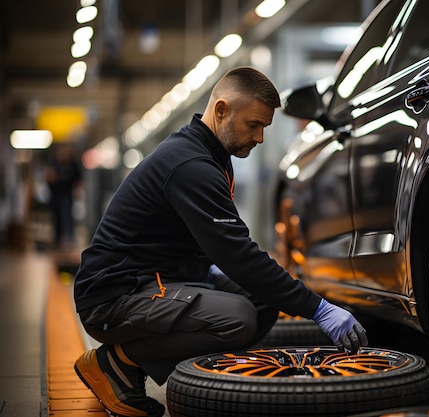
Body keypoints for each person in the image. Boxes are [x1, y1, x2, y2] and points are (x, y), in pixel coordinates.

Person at [72, 66, 368, 417]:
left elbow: (215, 245)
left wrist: (214, 269)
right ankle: (117, 363)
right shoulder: (191, 165)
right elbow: (238, 254)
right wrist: (317, 308)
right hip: (113, 295)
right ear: (222, 110)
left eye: (264, 128)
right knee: (238, 318)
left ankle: (146, 367)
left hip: (156, 279)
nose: (259, 138)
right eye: (253, 125)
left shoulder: (209, 155)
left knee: (261, 300)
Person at [46, 143, 82, 248]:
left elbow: (78, 179)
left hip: (68, 194)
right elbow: (49, 178)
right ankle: (57, 240)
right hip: (56, 195)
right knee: (57, 217)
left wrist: (78, 189)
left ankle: (69, 238)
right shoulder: (54, 163)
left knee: (68, 215)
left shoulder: (73, 164)